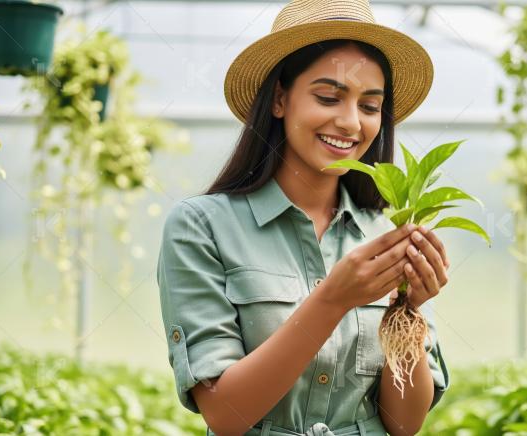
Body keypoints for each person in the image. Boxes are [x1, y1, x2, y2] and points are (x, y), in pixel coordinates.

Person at [157, 0, 451, 434]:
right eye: (329, 97)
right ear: (279, 99)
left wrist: (408, 312)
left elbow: (404, 424)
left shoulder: (387, 231)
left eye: (370, 107)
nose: (351, 123)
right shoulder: (201, 227)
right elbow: (225, 415)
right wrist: (331, 300)